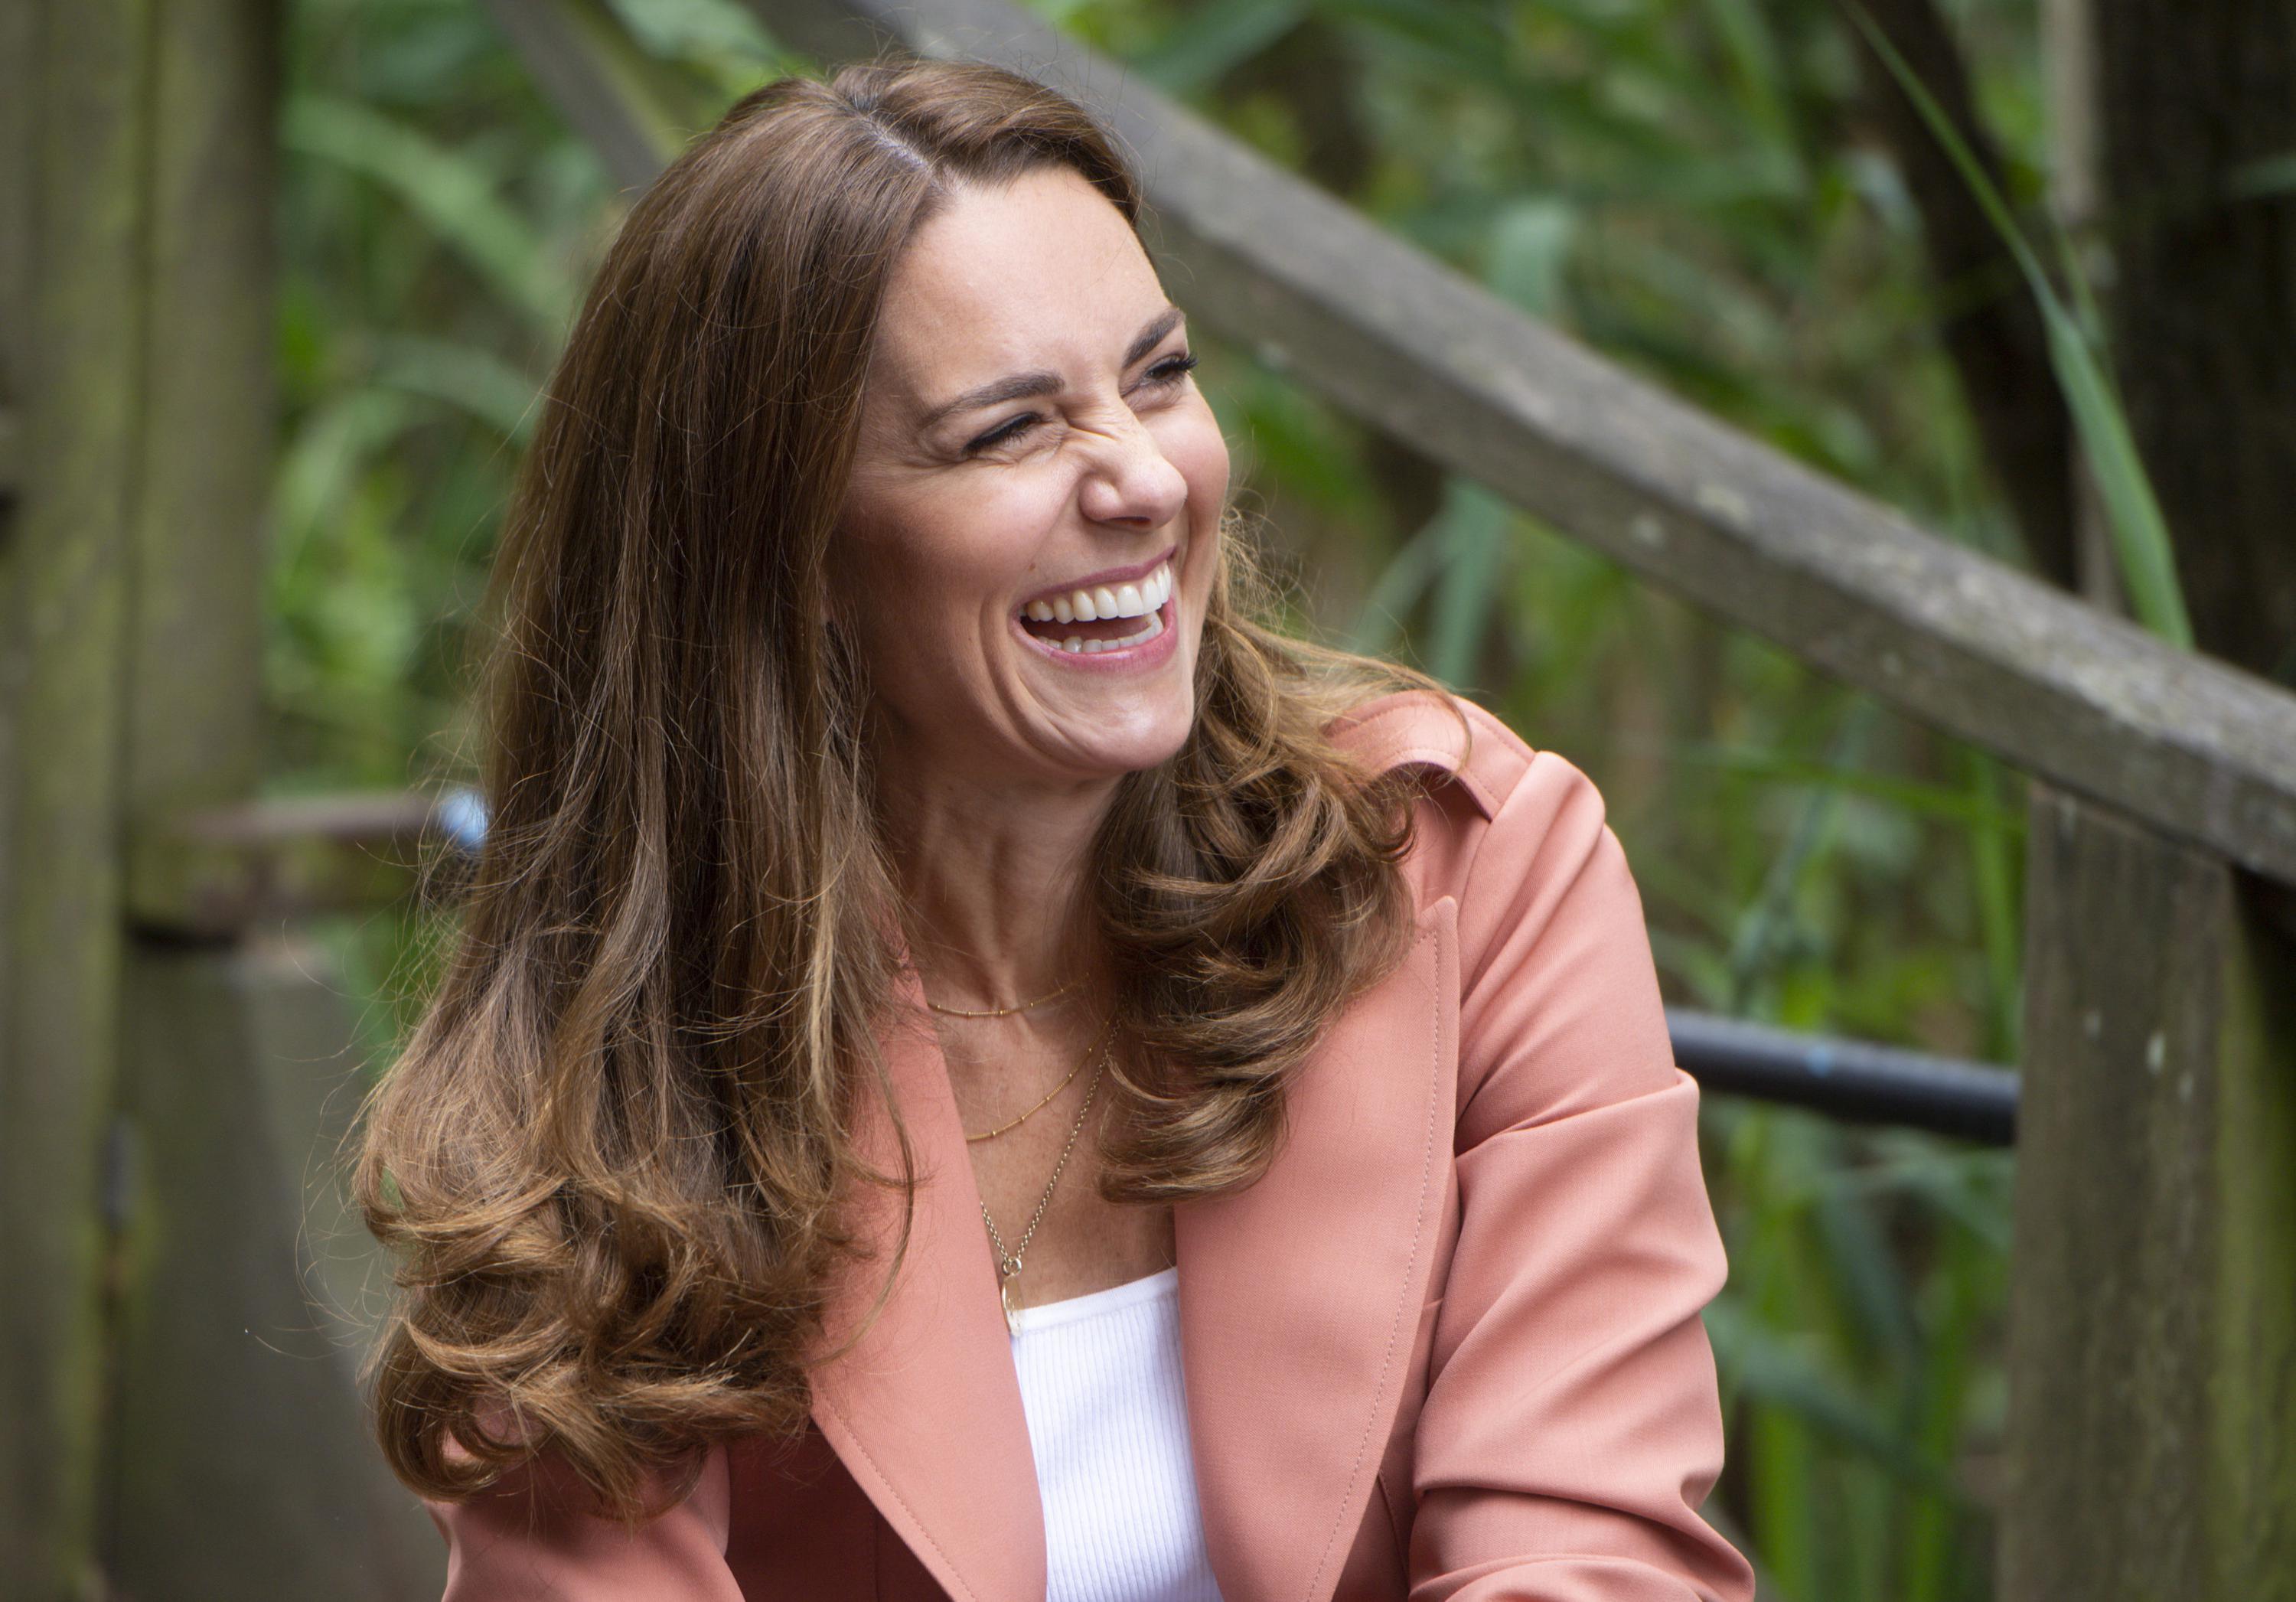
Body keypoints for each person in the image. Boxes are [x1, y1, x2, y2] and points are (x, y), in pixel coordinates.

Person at [355, 51, 1756, 1602]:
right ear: (792, 549)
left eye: (1159, 376)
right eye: (1012, 431)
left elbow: (1585, 1552)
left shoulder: (1469, 865)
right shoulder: (623, 1060)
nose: (1148, 479)